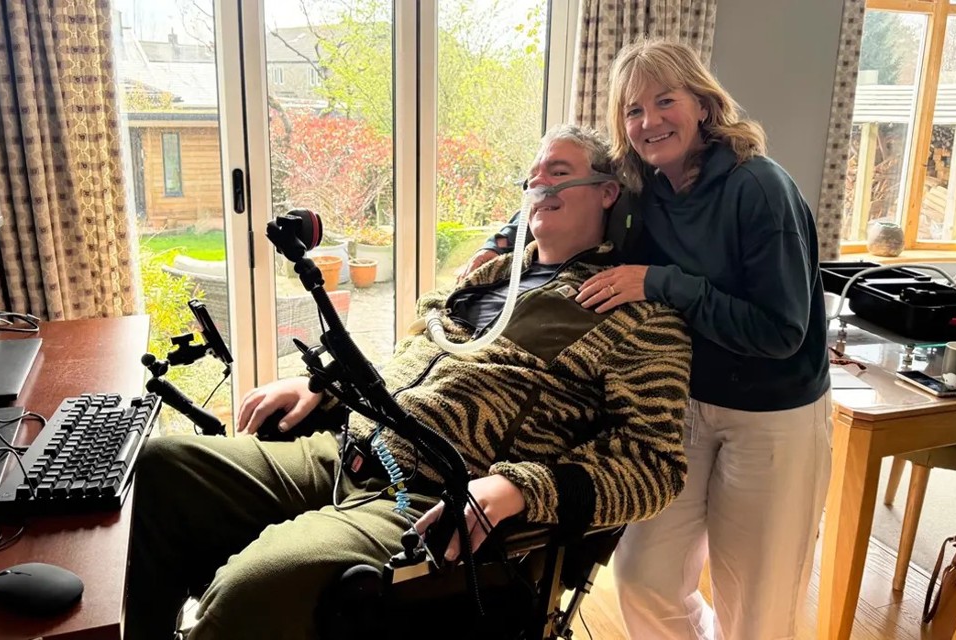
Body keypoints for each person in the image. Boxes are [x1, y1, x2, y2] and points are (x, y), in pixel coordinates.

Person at [124, 124, 692, 640]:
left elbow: (655, 465)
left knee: (251, 585)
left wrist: (519, 488)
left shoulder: (638, 317)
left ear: (608, 191)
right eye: (533, 175)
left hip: (427, 501)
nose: (539, 185)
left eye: (559, 173)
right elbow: (414, 362)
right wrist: (323, 384)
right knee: (161, 466)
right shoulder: (486, 279)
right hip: (348, 453)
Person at [466, 41, 832, 640]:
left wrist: (662, 283)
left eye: (665, 101)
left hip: (773, 413)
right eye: (633, 110)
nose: (649, 121)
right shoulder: (643, 185)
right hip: (683, 402)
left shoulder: (759, 188)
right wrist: (503, 242)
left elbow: (782, 332)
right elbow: (560, 184)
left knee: (757, 602)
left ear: (704, 105)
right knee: (643, 575)